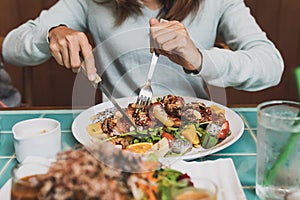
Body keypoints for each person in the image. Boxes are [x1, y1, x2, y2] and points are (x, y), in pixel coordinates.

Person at [2, 0, 284, 101]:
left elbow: (271, 65)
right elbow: (11, 48)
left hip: (194, 138)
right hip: (116, 135)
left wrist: (199, 58)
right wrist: (51, 34)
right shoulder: (91, 1)